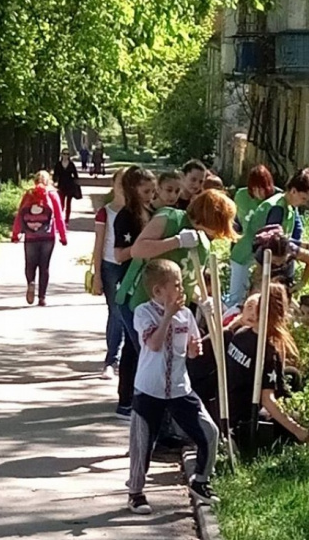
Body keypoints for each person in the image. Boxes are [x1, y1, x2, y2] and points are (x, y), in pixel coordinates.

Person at [127, 259, 219, 514]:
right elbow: (154, 344)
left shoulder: (186, 314)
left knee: (209, 432)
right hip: (149, 388)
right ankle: (136, 492)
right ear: (158, 291)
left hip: (179, 388)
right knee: (142, 443)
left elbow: (191, 350)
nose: (182, 290)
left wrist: (193, 348)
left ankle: (201, 480)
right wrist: (167, 314)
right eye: (176, 285)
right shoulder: (143, 313)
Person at [199, 284, 309, 445]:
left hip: (223, 408)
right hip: (242, 419)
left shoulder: (242, 333)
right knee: (290, 418)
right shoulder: (268, 350)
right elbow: (267, 400)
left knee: (291, 374)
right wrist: (299, 431)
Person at [123, 189, 238, 310]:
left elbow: (190, 282)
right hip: (141, 306)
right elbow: (137, 250)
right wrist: (177, 241)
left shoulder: (204, 244)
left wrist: (201, 299)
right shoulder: (170, 218)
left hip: (172, 313)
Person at [228, 168, 309, 307]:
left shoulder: (288, 206)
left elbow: (284, 238)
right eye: (303, 198)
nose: (304, 203)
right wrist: (302, 246)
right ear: (293, 191)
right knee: (237, 300)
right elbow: (273, 241)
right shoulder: (277, 207)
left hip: (262, 255)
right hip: (245, 255)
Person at [113, 166, 157, 420]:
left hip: (149, 286)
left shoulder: (153, 212)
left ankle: (132, 399)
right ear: (132, 189)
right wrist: (141, 247)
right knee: (137, 345)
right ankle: (127, 400)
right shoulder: (126, 217)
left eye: (153, 190)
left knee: (134, 345)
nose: (151, 195)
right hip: (129, 287)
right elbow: (119, 255)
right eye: (146, 191)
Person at [11, 170, 67, 306]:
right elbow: (59, 216)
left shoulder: (29, 194)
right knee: (44, 266)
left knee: (30, 264)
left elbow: (20, 214)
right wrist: (63, 236)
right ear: (49, 181)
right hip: (48, 236)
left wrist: (15, 233)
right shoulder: (53, 194)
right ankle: (42, 297)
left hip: (30, 236)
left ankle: (31, 282)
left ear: (35, 180)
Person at [93, 168, 125, 379]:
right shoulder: (106, 212)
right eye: (121, 182)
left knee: (130, 313)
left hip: (133, 265)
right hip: (111, 266)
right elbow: (98, 244)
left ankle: (127, 358)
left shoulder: (140, 210)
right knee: (115, 312)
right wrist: (97, 275)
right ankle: (111, 360)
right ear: (113, 185)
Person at [251, 226, 309, 295]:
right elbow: (257, 279)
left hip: (286, 278)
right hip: (267, 277)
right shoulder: (261, 254)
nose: (278, 264)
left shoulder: (292, 250)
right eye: (274, 261)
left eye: (282, 261)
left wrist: (302, 283)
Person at [53, 149, 79, 224]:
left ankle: (67, 219)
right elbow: (55, 175)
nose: (65, 156)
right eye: (64, 154)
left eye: (67, 154)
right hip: (61, 185)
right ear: (61, 155)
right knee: (61, 203)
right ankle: (60, 218)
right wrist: (55, 182)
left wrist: (75, 182)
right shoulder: (58, 164)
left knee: (68, 203)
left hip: (70, 185)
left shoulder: (71, 164)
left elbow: (76, 175)